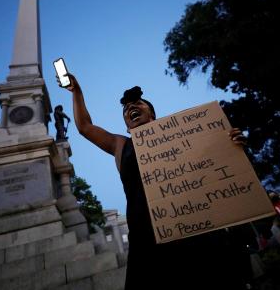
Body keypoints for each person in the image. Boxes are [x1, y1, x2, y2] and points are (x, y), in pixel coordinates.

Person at [63, 74, 251, 289]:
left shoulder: (184, 139)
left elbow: (213, 166)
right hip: (148, 243)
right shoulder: (120, 145)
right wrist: (77, 91)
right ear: (126, 126)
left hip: (199, 235)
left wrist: (232, 146)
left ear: (152, 113)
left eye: (138, 103)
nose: (131, 107)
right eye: (126, 110)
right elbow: (85, 127)